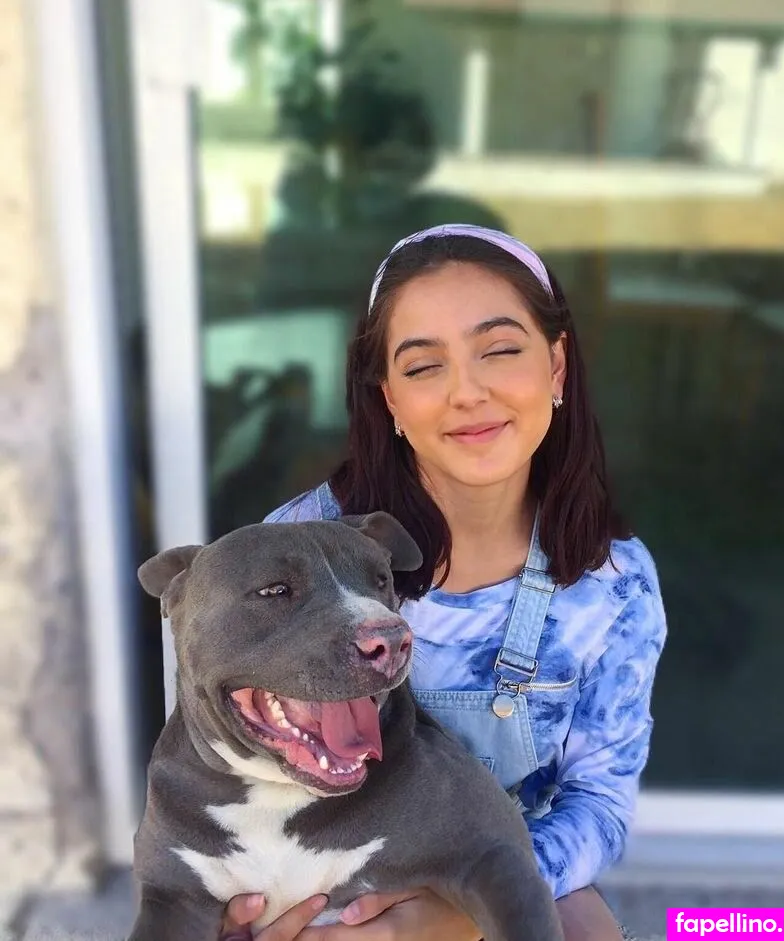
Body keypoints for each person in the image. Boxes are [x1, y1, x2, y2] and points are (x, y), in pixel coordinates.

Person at [219, 224, 667, 941]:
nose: (467, 392)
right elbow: (220, 749)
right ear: (389, 398)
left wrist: (455, 911)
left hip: (510, 879)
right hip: (318, 893)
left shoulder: (612, 585)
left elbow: (598, 805)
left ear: (556, 367)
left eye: (500, 350)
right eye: (424, 366)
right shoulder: (294, 549)